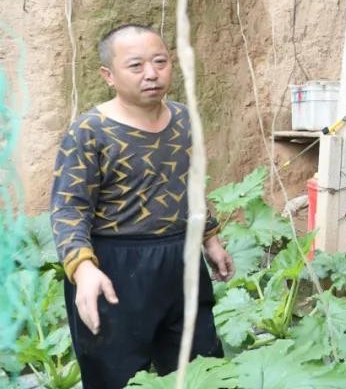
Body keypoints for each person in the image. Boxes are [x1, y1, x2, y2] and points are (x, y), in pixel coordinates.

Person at [50, 24, 235, 389]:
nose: (151, 73)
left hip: (181, 261)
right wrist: (83, 270)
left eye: (160, 62)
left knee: (202, 371)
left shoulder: (184, 119)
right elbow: (69, 209)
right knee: (115, 376)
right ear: (108, 75)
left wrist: (210, 239)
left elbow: (191, 185)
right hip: (115, 269)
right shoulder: (88, 131)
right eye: (136, 65)